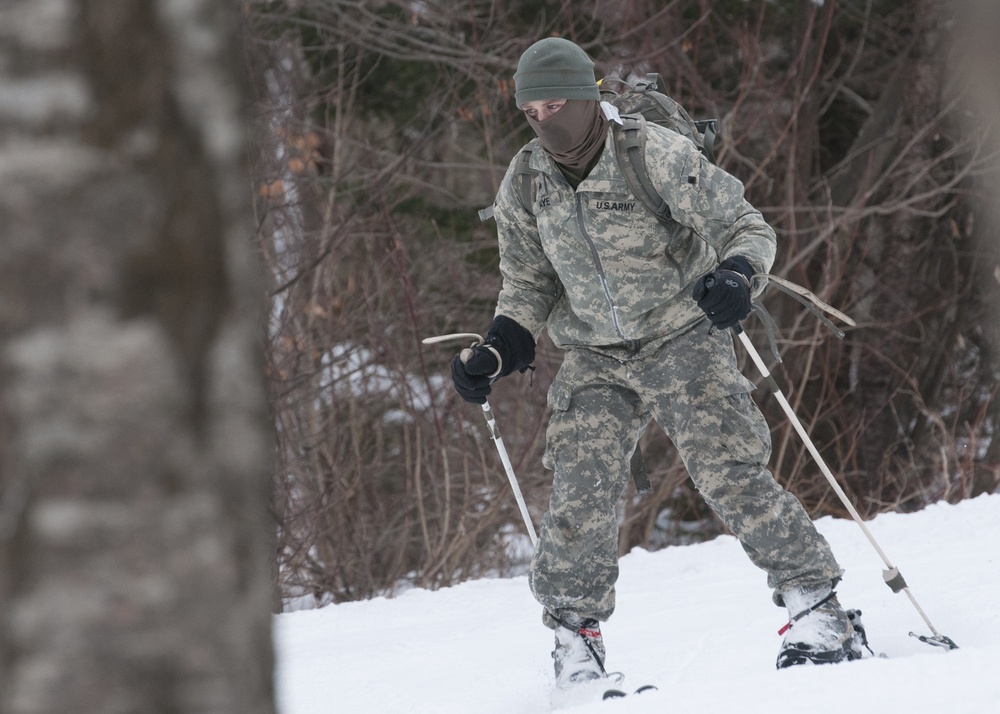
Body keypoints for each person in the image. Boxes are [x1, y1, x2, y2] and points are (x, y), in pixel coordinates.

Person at [450, 37, 866, 688]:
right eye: (530, 111)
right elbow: (528, 285)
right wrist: (499, 347)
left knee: (726, 466)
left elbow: (745, 225)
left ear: (587, 99)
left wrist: (735, 276)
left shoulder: (651, 153)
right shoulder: (527, 180)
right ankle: (576, 647)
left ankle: (818, 608)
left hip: (681, 330)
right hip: (593, 350)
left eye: (556, 104)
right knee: (581, 488)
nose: (543, 120)